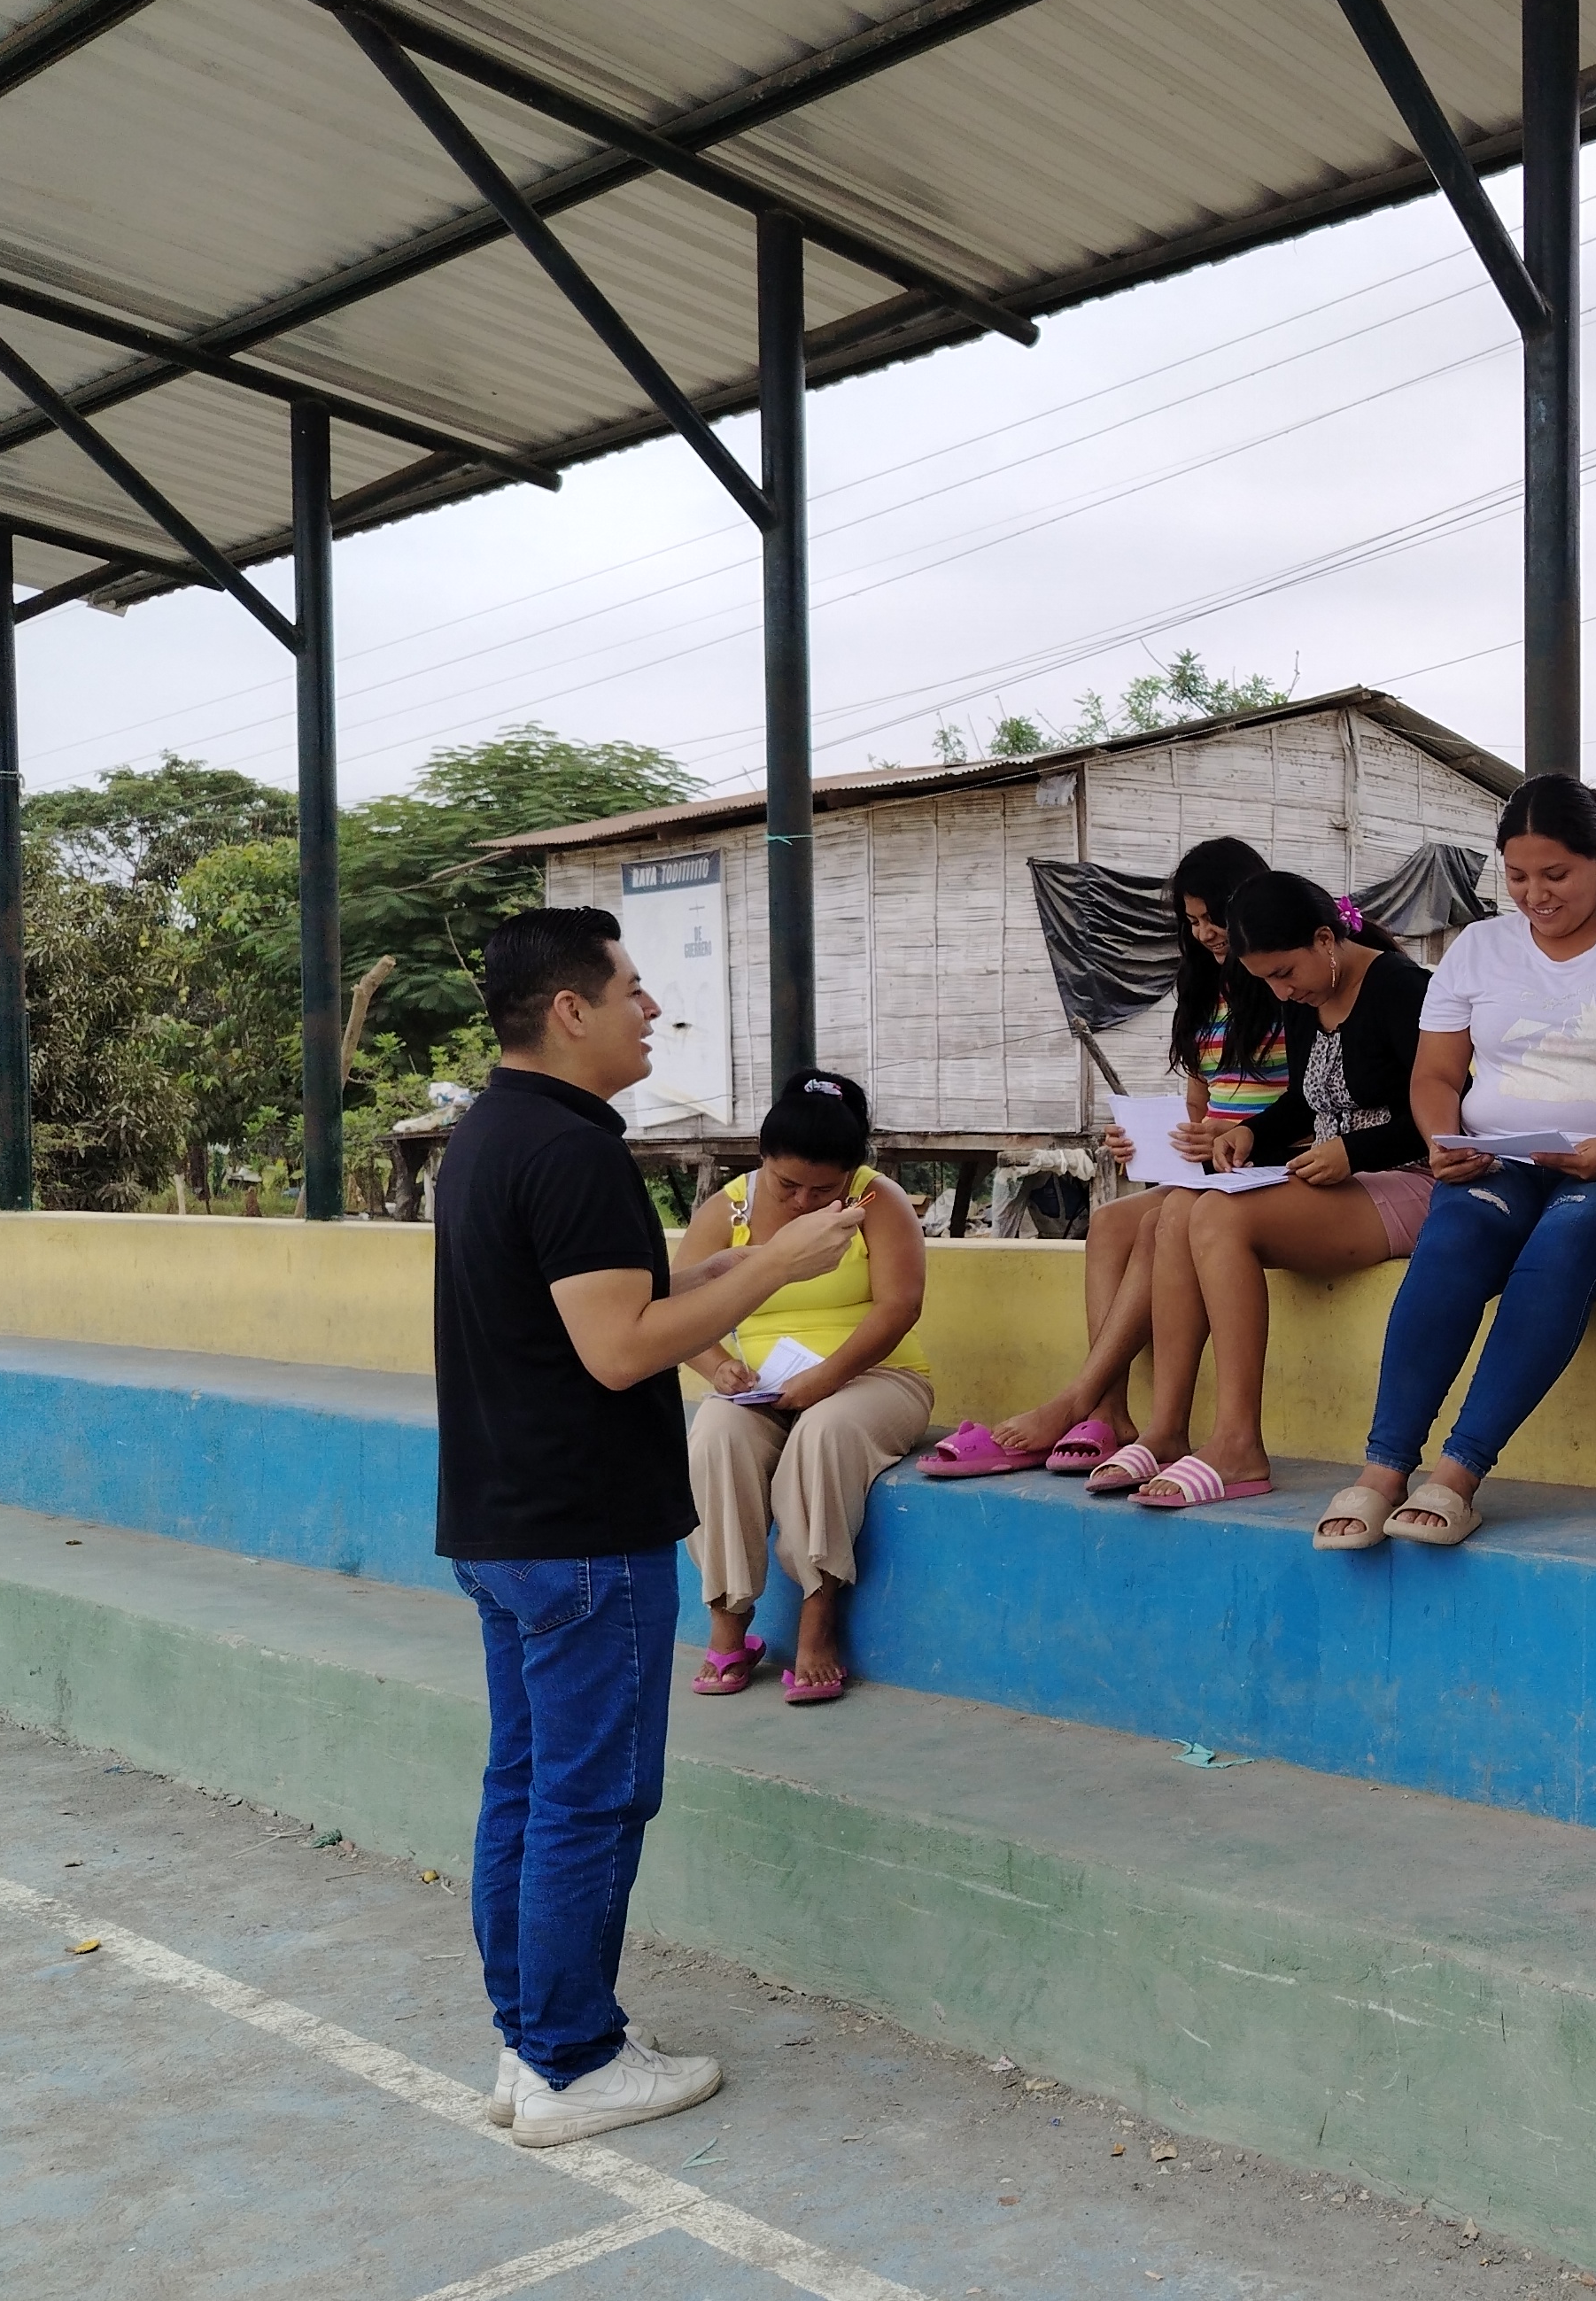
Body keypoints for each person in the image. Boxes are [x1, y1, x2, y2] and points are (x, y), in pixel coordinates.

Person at [434, 907, 864, 2150]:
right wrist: (776, 1270)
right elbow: (621, 1349)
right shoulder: (570, 1150)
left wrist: (736, 1262)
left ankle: (532, 2042)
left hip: (507, 1522)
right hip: (580, 1529)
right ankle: (572, 2060)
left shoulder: (497, 1134)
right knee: (589, 1799)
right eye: (631, 989)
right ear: (570, 1010)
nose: (652, 1009)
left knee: (528, 1787)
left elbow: (608, 1295)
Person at [1317, 776, 1596, 1550]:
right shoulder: (1479, 949)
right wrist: (1442, 1141)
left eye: (1556, 875)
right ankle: (1384, 1468)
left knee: (1561, 1247)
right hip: (1495, 1162)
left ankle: (1458, 1474)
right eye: (1518, 877)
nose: (1536, 895)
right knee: (1450, 1245)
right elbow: (1435, 1077)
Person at [915, 839, 1283, 1480]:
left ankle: (1076, 1398)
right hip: (1218, 1171)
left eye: (1214, 918)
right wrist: (1152, 1139)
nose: (1205, 934)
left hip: (1267, 1168)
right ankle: (1110, 1412)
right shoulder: (1205, 990)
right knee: (1111, 1222)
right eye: (1193, 922)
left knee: (1163, 1218)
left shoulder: (1283, 983)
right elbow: (1201, 1108)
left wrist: (1237, 1134)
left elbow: (1306, 1104)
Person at [1086, 872, 1433, 1508]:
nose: (1280, 991)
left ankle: (1239, 1443)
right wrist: (1248, 1133)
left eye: (1283, 973)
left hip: (1415, 1178)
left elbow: (1444, 1111)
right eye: (1266, 980)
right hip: (1340, 1177)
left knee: (1218, 1216)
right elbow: (1305, 1103)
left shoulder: (1403, 989)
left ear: (1325, 939)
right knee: (1179, 1209)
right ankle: (1167, 1430)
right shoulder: (1306, 997)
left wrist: (1355, 1151)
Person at [674, 1069, 931, 1707]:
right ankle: (728, 1623)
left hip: (875, 1379)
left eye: (824, 1190)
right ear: (762, 1157)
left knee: (825, 1430)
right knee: (715, 1434)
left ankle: (819, 1614)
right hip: (766, 1388)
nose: (802, 1203)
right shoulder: (728, 1209)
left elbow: (899, 1307)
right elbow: (678, 1311)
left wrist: (827, 1377)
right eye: (787, 1185)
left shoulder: (879, 1202)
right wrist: (717, 1366)